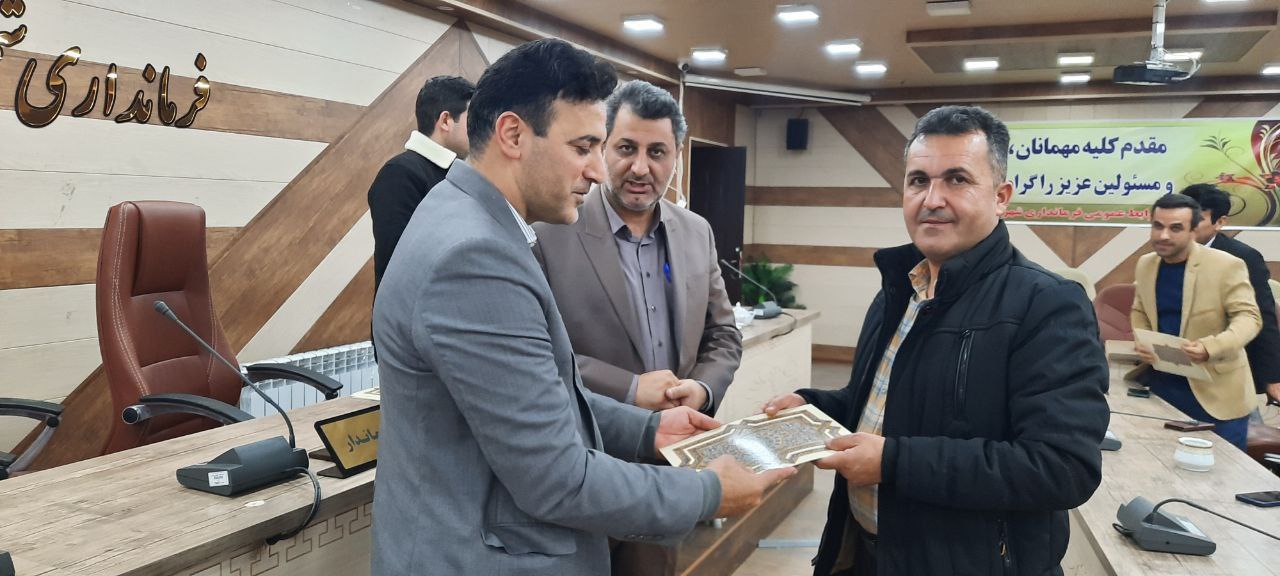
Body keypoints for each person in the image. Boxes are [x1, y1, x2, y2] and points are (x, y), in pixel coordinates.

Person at [370, 38, 793, 576]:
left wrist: (648, 431)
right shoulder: (474, 257)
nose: (597, 171)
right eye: (583, 147)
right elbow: (556, 477)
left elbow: (543, 395)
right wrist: (706, 493)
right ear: (513, 134)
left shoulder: (462, 213)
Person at [763, 105, 1109, 575]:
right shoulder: (900, 289)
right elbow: (891, 405)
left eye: (957, 180)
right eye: (918, 181)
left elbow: (1061, 467)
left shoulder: (1046, 304)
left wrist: (894, 463)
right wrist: (814, 407)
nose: (932, 199)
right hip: (870, 554)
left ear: (1001, 197)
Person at [532, 79, 742, 576]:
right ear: (602, 148)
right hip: (580, 465)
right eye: (626, 148)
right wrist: (629, 388)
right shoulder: (549, 231)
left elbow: (723, 335)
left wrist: (701, 390)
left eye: (657, 152)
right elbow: (540, 354)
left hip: (665, 467)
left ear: (677, 159)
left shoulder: (696, 232)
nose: (641, 168)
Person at [1130, 193, 1260, 450]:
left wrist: (1211, 347)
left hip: (1216, 394)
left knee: (1222, 470)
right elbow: (1139, 310)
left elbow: (1249, 318)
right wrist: (1144, 339)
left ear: (1193, 231)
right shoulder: (1146, 264)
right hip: (1162, 387)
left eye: (1175, 228)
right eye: (1158, 226)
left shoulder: (1226, 265)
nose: (1163, 235)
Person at [368, 75, 474, 293]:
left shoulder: (458, 174)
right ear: (445, 121)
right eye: (473, 120)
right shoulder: (399, 174)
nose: (480, 130)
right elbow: (401, 265)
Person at [1181, 183, 1280, 407]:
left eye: (1197, 220)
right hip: (1180, 366)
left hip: (1226, 369)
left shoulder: (1243, 258)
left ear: (1220, 222)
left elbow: (1262, 318)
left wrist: (1272, 379)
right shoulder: (1167, 252)